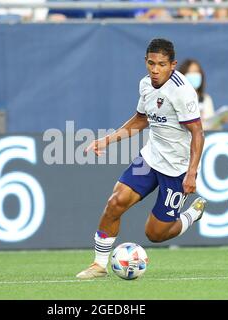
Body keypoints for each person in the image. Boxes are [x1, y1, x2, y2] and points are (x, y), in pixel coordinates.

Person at [76, 38, 207, 279]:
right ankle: (99, 264)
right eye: (151, 63)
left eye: (161, 64)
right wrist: (107, 140)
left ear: (173, 65)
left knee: (155, 234)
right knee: (115, 202)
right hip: (149, 158)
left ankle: (191, 215)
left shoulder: (181, 91)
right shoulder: (145, 85)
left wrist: (191, 172)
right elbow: (140, 120)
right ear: (145, 62)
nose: (155, 70)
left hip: (176, 170)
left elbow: (197, 132)